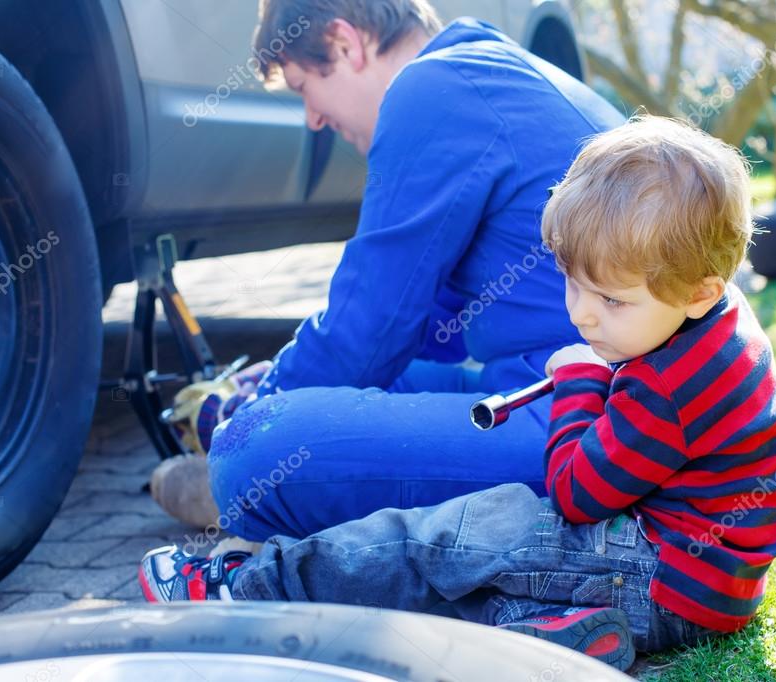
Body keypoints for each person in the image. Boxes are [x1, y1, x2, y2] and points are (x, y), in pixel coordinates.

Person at [140, 116, 776, 671]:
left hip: (660, 576)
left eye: (611, 300)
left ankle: (249, 591)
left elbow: (576, 495)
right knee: (477, 573)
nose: (581, 314)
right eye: (572, 283)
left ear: (699, 291)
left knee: (459, 535)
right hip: (709, 589)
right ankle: (550, 632)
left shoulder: (667, 386)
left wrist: (580, 383)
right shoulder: (717, 321)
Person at [149, 0, 627, 539]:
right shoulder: (484, 69)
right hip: (583, 392)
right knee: (370, 382)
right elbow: (423, 327)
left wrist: (250, 411)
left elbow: (367, 329)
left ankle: (250, 487)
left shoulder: (432, 89)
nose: (313, 119)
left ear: (344, 44)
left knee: (252, 450)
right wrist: (279, 375)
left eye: (304, 87)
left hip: (589, 427)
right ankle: (284, 480)